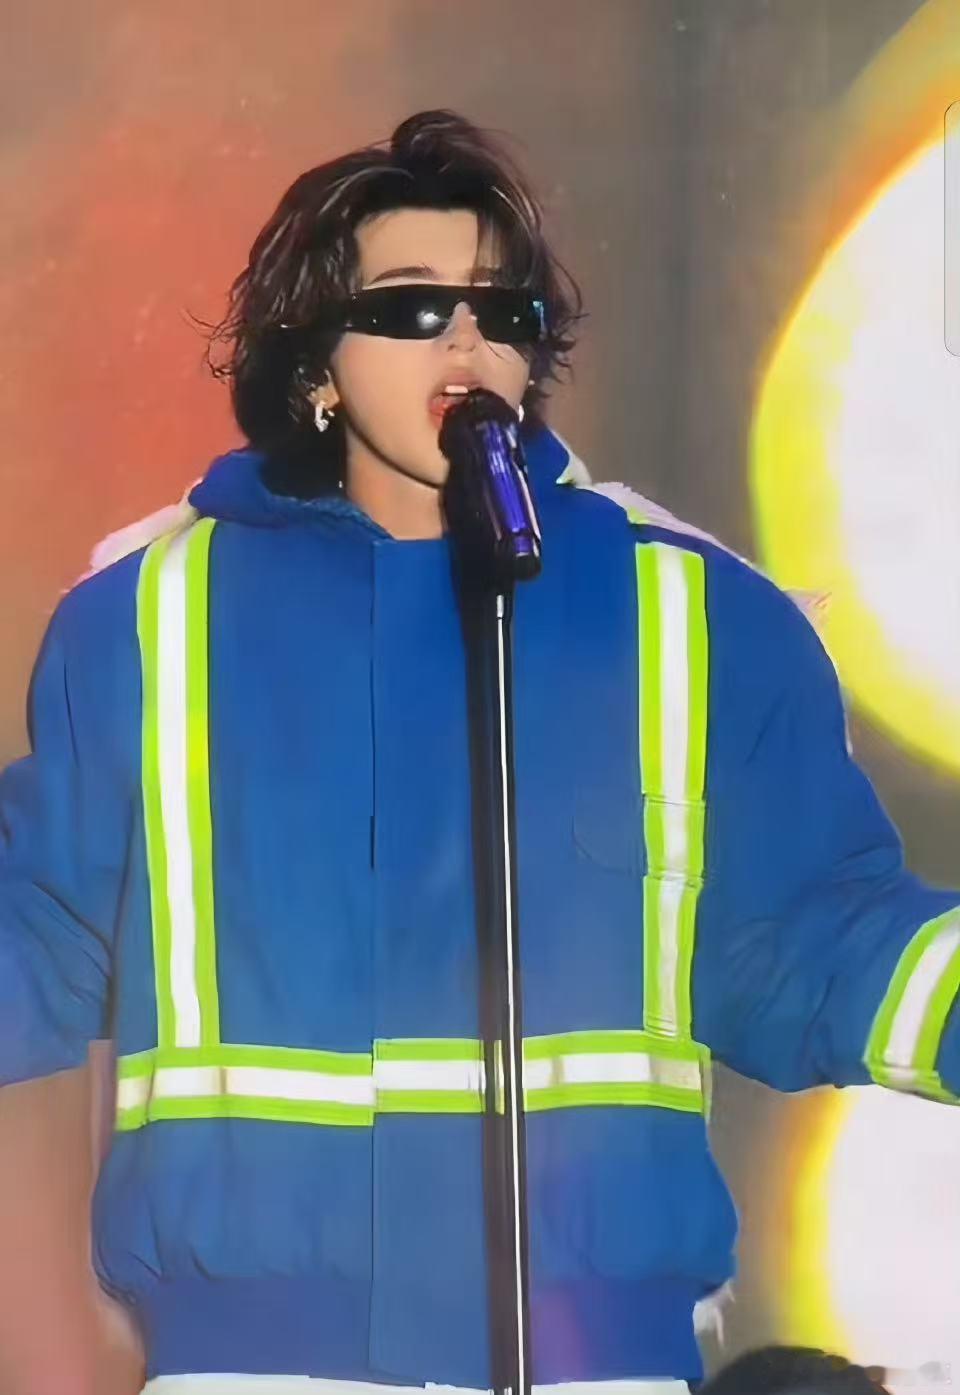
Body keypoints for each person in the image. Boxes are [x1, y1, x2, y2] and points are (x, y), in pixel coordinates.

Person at [0, 108, 956, 1395]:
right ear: (315, 365)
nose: (464, 339)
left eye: (501, 311)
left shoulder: (694, 615)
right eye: (409, 306)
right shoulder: (149, 624)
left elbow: (810, 940)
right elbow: (40, 937)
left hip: (593, 1365)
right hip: (263, 1370)